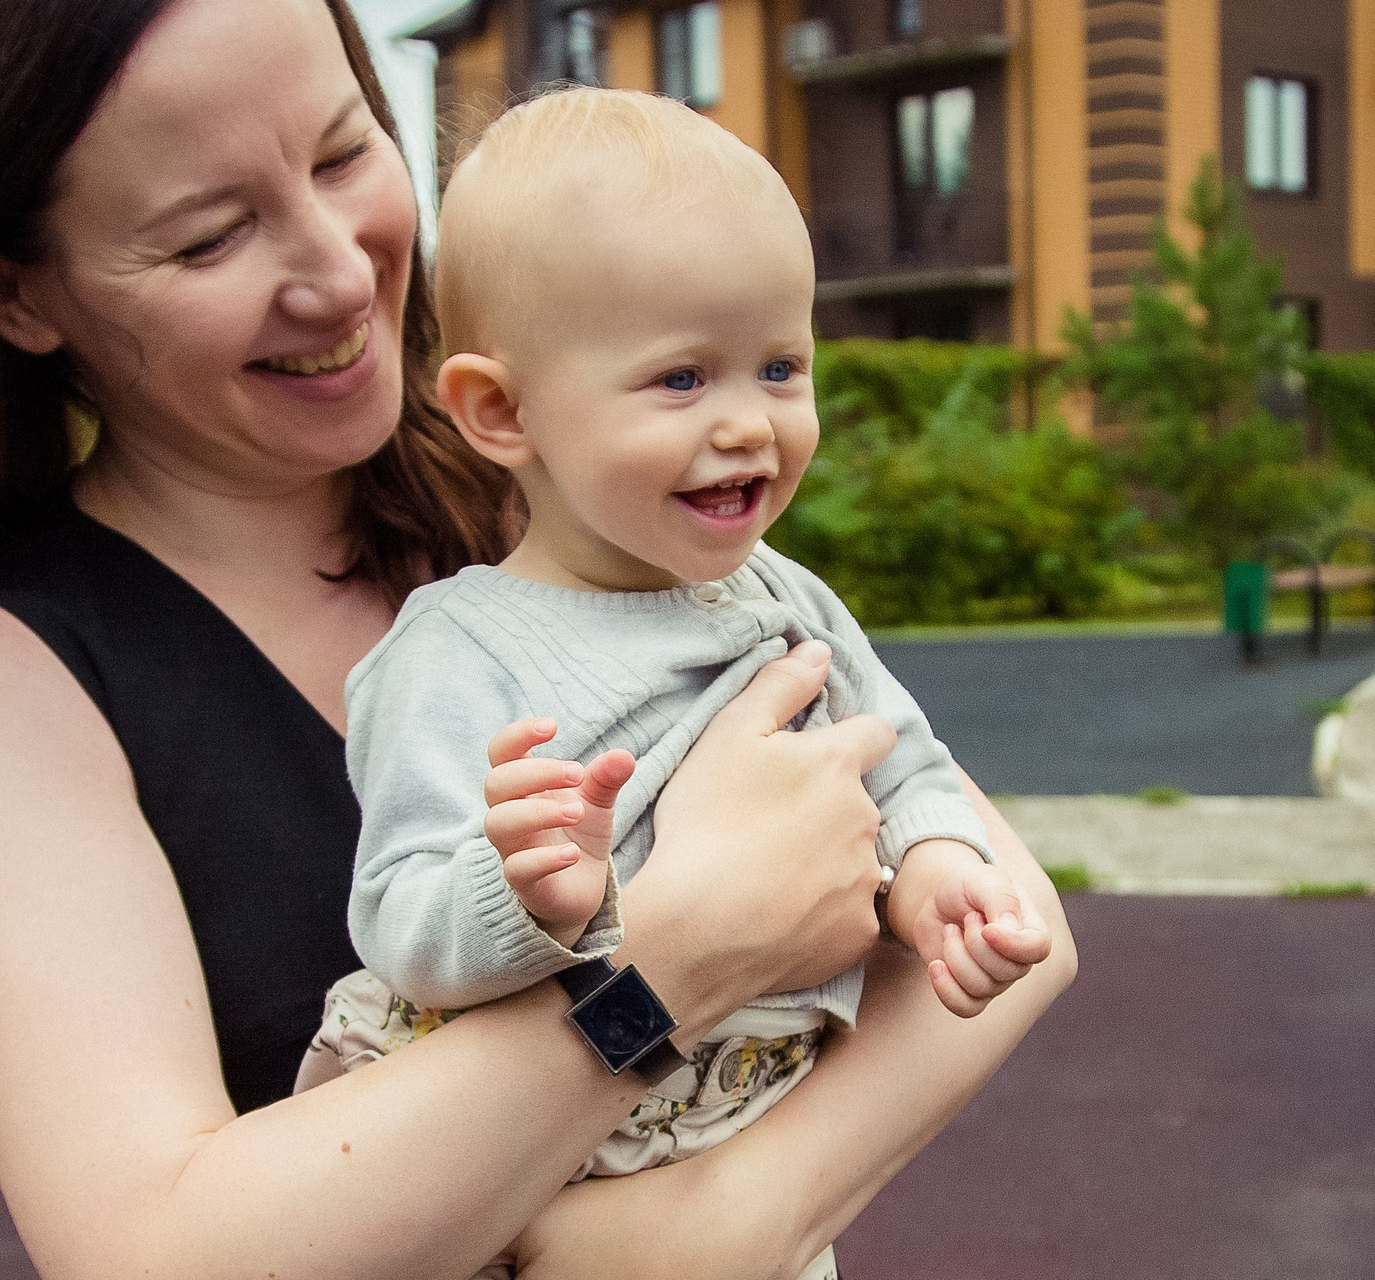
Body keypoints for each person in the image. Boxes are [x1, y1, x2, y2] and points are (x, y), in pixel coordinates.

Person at [0, 0, 1076, 1275]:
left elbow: (1011, 910)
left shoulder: (577, 496)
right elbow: (155, 1252)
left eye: (343, 154)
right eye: (210, 234)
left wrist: (724, 1221)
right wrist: (678, 963)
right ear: (11, 288)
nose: (338, 272)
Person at [298, 90, 1054, 1280]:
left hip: (741, 1110)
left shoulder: (789, 598)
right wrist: (523, 894)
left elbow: (902, 761)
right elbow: (398, 916)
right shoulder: (455, 653)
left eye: (780, 366)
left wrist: (939, 874)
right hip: (534, 1144)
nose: (750, 423)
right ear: (502, 410)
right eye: (682, 379)